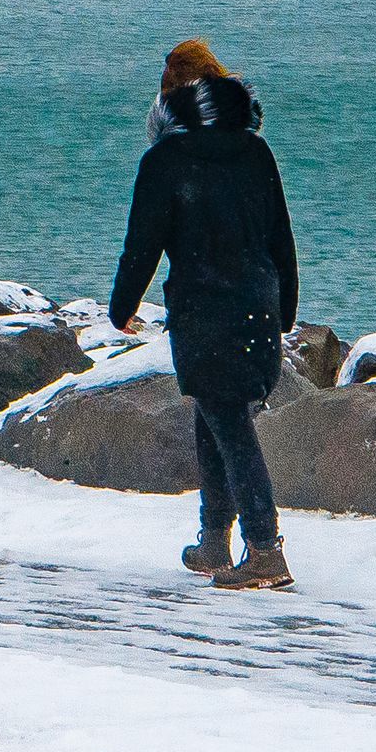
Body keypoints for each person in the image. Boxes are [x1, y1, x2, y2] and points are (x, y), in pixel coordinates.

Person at [108, 37, 303, 591]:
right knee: (214, 415)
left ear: (168, 100)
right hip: (257, 305)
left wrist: (121, 308)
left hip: (205, 311)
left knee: (230, 424)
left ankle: (265, 549)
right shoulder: (254, 150)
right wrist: (286, 307)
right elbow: (279, 236)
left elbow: (141, 246)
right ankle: (215, 541)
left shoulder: (165, 160)